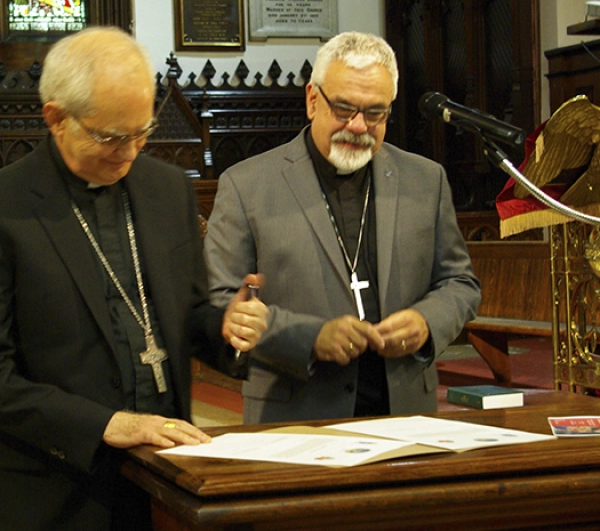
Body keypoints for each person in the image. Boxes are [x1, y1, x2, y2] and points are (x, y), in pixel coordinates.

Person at [0, 27, 268, 531]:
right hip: (46, 493)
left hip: (161, 481)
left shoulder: (165, 191)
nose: (130, 152)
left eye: (142, 133)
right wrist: (106, 425)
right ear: (55, 118)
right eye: (111, 137)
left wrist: (228, 328)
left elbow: (189, 316)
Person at [204, 31, 481, 424]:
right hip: (296, 415)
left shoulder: (425, 179)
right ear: (312, 100)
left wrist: (426, 323)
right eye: (344, 108)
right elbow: (221, 300)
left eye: (375, 113)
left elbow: (460, 283)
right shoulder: (247, 185)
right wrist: (309, 338)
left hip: (405, 412)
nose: (358, 126)